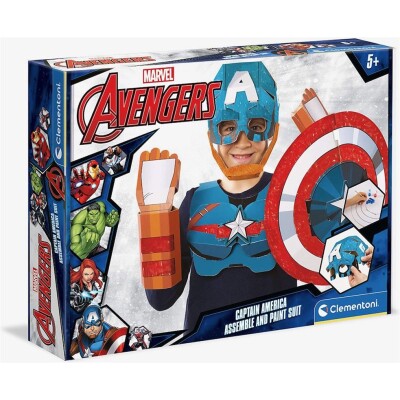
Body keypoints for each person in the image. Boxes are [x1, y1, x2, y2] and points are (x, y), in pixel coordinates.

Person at [136, 62, 299, 333]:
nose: (242, 141)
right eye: (228, 127)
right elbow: (160, 299)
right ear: (213, 132)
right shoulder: (195, 201)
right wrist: (155, 217)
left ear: (272, 128)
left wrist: (329, 150)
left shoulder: (291, 193)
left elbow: (335, 257)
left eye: (256, 125)